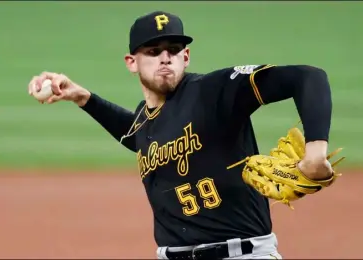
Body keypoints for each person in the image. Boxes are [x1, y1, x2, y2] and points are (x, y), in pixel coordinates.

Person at [28, 11, 336, 260]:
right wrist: (83, 98)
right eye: (153, 51)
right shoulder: (146, 121)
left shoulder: (214, 91)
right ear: (131, 62)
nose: (165, 57)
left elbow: (308, 77)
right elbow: (136, 134)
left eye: (173, 50)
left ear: (185, 57)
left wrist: (316, 153)